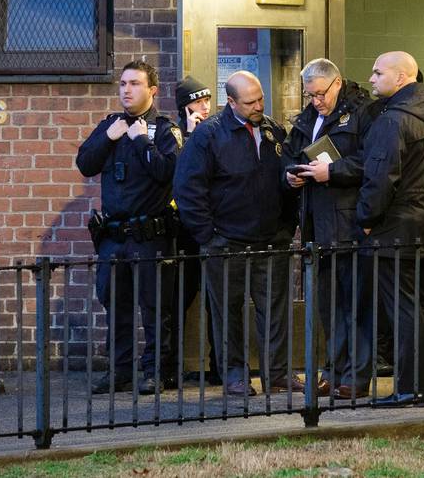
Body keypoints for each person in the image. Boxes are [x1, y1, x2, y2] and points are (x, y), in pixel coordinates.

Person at [172, 71, 300, 396]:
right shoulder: (209, 136)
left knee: (274, 312)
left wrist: (287, 227)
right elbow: (187, 188)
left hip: (272, 239)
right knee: (227, 313)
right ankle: (234, 374)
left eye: (260, 98)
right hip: (225, 242)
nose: (258, 106)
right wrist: (208, 235)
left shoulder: (273, 131)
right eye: (250, 102)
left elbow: (285, 181)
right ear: (231, 101)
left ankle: (278, 373)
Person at [76, 60, 182, 395]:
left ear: (152, 90)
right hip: (113, 236)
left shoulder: (165, 130)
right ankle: (119, 371)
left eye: (134, 84)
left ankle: (156, 371)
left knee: (154, 308)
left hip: (149, 235)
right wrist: (108, 138)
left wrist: (140, 142)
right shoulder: (111, 125)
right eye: (122, 84)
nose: (126, 89)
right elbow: (84, 164)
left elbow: (167, 173)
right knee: (116, 306)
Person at [357, 51, 424, 407]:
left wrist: (367, 221)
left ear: (400, 78)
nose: (371, 78)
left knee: (404, 310)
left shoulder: (392, 120)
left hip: (394, 229)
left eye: (378, 72)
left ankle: (411, 387)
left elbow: (380, 178)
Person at [283, 58, 375, 399]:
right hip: (316, 224)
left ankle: (356, 376)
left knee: (355, 305)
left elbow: (370, 161)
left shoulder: (364, 112)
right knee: (329, 306)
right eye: (310, 95)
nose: (316, 101)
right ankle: (332, 372)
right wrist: (290, 174)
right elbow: (291, 152)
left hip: (348, 222)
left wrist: (332, 172)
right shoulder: (309, 117)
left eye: (320, 94)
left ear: (337, 83)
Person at [170, 76, 220, 386]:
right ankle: (172, 366)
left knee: (218, 300)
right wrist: (189, 136)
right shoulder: (173, 136)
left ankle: (220, 365)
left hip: (212, 228)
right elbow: (176, 174)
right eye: (197, 102)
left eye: (206, 101)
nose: (203, 106)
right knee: (178, 301)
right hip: (183, 233)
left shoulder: (215, 132)